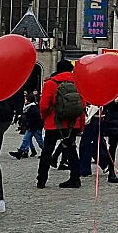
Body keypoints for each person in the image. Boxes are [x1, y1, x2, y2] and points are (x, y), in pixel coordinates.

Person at [37, 59, 85, 190]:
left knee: (47, 151)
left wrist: (44, 118)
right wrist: (81, 126)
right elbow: (82, 106)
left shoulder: (50, 83)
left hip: (53, 122)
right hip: (72, 123)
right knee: (71, 150)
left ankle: (42, 179)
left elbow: (44, 105)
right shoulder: (78, 83)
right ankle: (75, 178)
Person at [10, 91, 44, 159]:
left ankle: (47, 152)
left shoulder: (33, 108)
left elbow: (37, 119)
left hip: (35, 127)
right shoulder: (28, 108)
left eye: (26, 99)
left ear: (29, 101)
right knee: (26, 139)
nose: (24, 101)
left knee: (40, 141)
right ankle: (20, 152)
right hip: (30, 127)